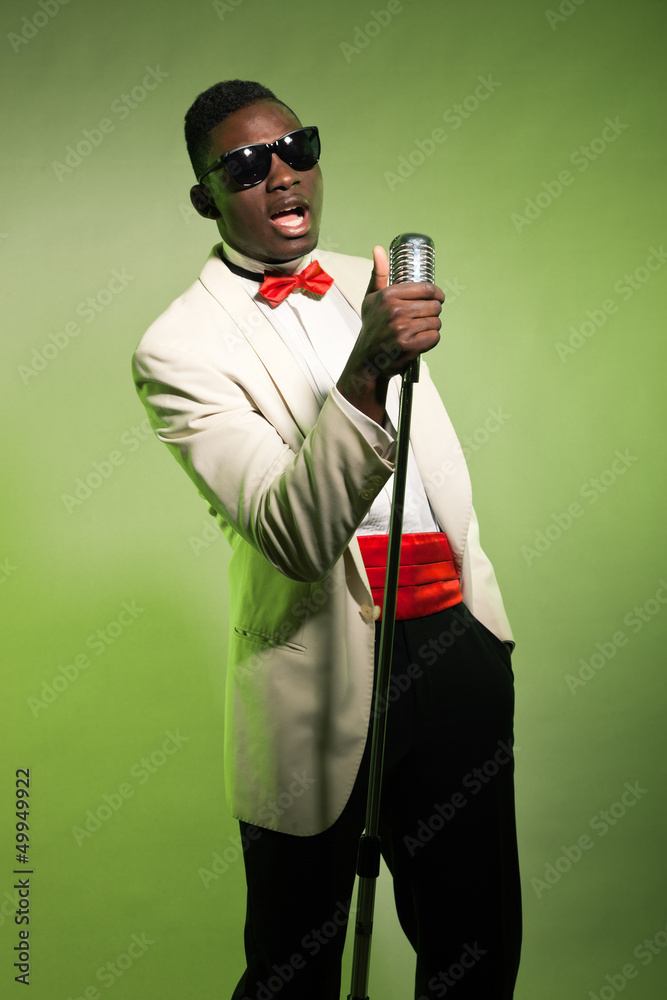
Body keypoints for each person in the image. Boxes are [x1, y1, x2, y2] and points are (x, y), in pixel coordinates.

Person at [132, 79, 521, 1000]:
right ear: (205, 199)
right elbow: (293, 533)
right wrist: (366, 368)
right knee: (295, 962)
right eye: (244, 165)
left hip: (454, 641)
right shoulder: (175, 349)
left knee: (475, 942)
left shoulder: (368, 281)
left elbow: (427, 473)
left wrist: (482, 638)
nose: (280, 174)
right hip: (319, 666)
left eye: (295, 148)